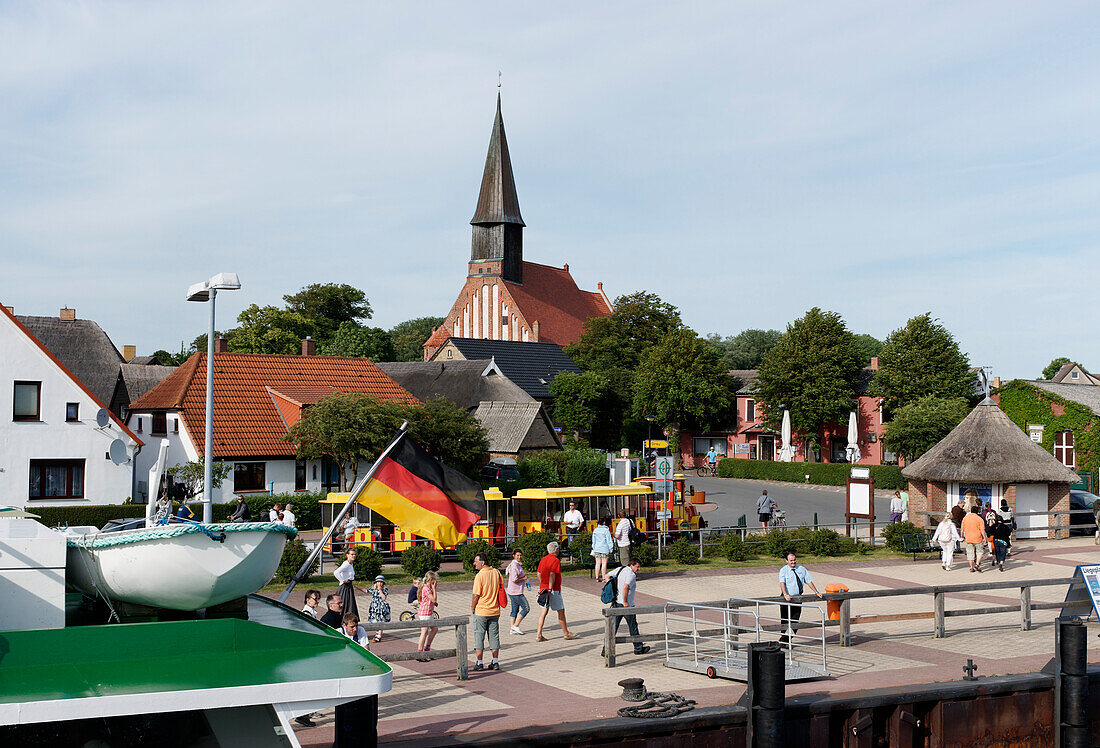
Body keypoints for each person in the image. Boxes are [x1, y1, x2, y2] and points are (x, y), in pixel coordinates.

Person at [603, 558, 650, 657]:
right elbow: (626, 587)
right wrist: (625, 601)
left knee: (612, 627)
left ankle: (605, 649)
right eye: (637, 567)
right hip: (627, 605)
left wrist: (611, 586)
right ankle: (638, 648)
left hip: (616, 604)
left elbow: (606, 576)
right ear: (631, 565)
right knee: (633, 627)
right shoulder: (631, 575)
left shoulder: (620, 569)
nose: (639, 569)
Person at [535, 541, 578, 642]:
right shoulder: (555, 560)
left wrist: (543, 584)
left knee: (543, 612)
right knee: (561, 611)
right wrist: (550, 587)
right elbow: (552, 574)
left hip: (543, 589)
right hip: (553, 589)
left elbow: (538, 573)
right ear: (556, 550)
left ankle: (539, 634)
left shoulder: (543, 559)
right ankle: (566, 633)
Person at [778, 552, 823, 645]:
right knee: (785, 621)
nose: (793, 562)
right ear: (786, 561)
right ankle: (784, 640)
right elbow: (782, 583)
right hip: (786, 598)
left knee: (795, 621)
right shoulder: (783, 570)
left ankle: (785, 640)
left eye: (794, 560)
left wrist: (816, 592)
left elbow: (809, 581)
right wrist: (785, 594)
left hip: (798, 598)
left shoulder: (801, 569)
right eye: (791, 561)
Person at [471, 552, 503, 671]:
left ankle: (479, 662)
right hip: (494, 610)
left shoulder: (479, 575)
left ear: (482, 562)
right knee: (494, 637)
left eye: (476, 561)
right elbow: (500, 589)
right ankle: (495, 662)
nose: (474, 563)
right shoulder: (496, 572)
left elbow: (476, 595)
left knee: (479, 636)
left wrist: (473, 607)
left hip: (482, 611)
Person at [334, 548, 365, 617]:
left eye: (354, 554)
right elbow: (336, 572)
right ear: (347, 555)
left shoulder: (350, 564)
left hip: (349, 586)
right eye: (351, 554)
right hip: (345, 587)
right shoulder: (346, 564)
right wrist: (342, 580)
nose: (353, 556)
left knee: (349, 605)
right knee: (344, 605)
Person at [415, 571, 439, 661]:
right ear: (431, 580)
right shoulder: (427, 588)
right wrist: (434, 588)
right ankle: (420, 653)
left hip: (429, 613)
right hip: (425, 614)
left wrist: (435, 603)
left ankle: (427, 649)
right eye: (435, 580)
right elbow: (433, 599)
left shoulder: (428, 587)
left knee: (435, 629)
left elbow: (432, 600)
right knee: (424, 632)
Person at [505, 549, 530, 635]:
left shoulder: (517, 565)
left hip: (513, 591)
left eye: (520, 555)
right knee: (526, 608)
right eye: (517, 555)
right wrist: (523, 578)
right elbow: (514, 580)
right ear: (514, 556)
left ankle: (512, 629)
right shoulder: (514, 566)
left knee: (514, 610)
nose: (519, 557)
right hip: (516, 592)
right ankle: (515, 625)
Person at [961, 505, 988, 573]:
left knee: (970, 553)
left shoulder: (965, 518)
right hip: (977, 538)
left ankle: (971, 567)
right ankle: (977, 564)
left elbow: (962, 529)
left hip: (968, 538)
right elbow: (982, 530)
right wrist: (984, 538)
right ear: (977, 511)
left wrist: (962, 536)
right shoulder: (979, 519)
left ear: (971, 511)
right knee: (979, 552)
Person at [366, 575, 390, 642]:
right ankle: (377, 633)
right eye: (378, 582)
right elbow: (366, 591)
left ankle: (379, 636)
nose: (379, 583)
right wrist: (357, 588)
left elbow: (384, 597)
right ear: (376, 583)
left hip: (381, 607)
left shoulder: (385, 590)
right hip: (374, 607)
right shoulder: (373, 589)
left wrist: (380, 590)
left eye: (381, 582)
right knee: (375, 620)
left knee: (381, 620)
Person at [591, 516, 614, 582]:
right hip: (604, 549)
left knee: (597, 563)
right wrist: (611, 548)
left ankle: (597, 577)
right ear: (604, 522)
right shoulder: (606, 530)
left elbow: (593, 540)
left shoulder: (595, 530)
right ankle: (604, 578)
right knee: (604, 564)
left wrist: (594, 548)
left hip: (597, 549)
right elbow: (609, 540)